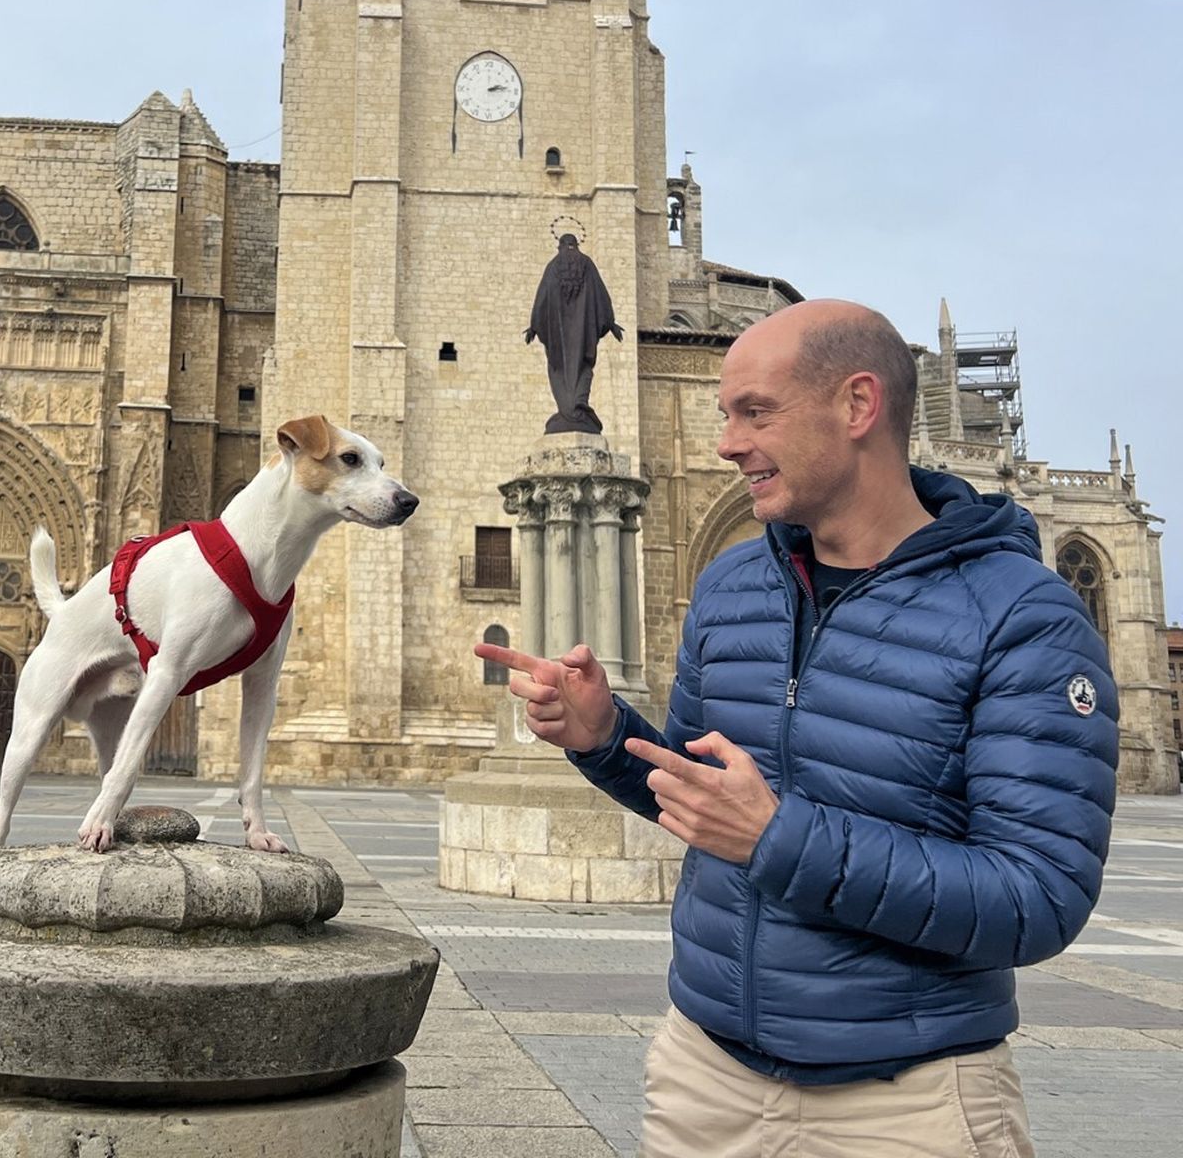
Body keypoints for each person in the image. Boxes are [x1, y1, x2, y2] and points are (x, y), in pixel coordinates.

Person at [478, 300, 1117, 1158]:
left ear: (858, 406)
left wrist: (780, 838)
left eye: (755, 412)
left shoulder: (1020, 615)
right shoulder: (732, 587)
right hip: (707, 1080)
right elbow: (706, 800)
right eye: (724, 415)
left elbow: (1037, 898)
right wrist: (604, 737)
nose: (727, 444)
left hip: (908, 1104)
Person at [525, 233, 624, 434]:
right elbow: (601, 295)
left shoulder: (553, 267)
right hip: (584, 334)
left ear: (561, 246)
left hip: (558, 337)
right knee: (584, 366)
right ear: (576, 245)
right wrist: (610, 322)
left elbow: (542, 298)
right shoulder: (587, 264)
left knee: (558, 369)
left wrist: (534, 326)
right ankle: (578, 405)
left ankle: (568, 411)